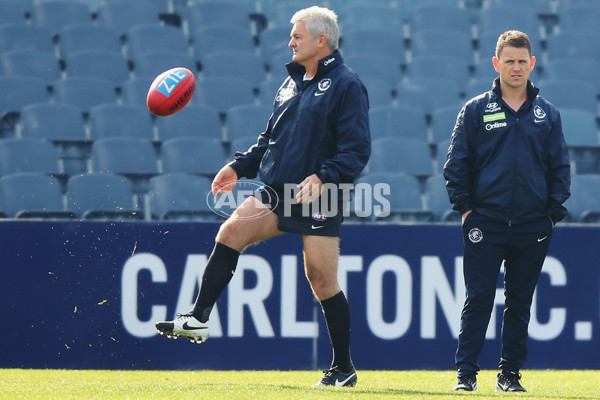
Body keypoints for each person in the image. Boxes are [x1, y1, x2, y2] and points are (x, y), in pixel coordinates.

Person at [155, 6, 370, 387]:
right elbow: (270, 140)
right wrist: (239, 167)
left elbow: (357, 149)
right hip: (275, 190)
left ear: (321, 41)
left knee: (321, 280)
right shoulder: (290, 83)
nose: (290, 42)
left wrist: (324, 177)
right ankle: (199, 318)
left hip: (320, 194)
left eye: (297, 36)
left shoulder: (347, 84)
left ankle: (343, 368)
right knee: (230, 233)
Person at [443, 30, 570, 392]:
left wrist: (550, 215)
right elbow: (456, 166)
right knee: (478, 298)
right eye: (509, 61)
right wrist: (466, 211)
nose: (516, 68)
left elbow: (560, 168)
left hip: (533, 225)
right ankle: (466, 375)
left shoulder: (549, 114)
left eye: (522, 61)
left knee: (520, 302)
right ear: (496, 64)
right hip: (485, 222)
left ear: (532, 64)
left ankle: (509, 375)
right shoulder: (475, 109)